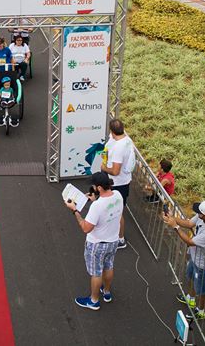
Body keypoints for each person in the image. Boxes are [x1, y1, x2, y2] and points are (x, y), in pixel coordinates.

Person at [65, 171, 123, 310]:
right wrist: (95, 199)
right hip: (113, 240)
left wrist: (75, 211)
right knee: (108, 266)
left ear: (99, 188)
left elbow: (86, 228)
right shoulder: (118, 196)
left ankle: (93, 301)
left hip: (97, 244)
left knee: (96, 273)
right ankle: (107, 292)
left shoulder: (97, 206)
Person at [164, 200, 205, 319]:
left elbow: (190, 242)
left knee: (203, 289)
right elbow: (188, 224)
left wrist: (175, 226)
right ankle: (191, 299)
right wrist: (173, 218)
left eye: (200, 213)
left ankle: (201, 310)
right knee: (192, 277)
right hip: (196, 257)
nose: (197, 214)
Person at [95, 118, 135, 250]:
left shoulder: (119, 147)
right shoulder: (125, 139)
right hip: (120, 182)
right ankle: (112, 233)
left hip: (118, 184)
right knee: (112, 209)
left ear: (112, 131)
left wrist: (104, 167)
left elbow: (115, 171)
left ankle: (120, 239)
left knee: (118, 212)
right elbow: (108, 147)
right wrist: (106, 155)